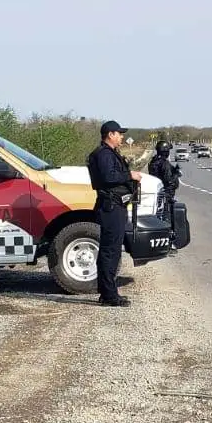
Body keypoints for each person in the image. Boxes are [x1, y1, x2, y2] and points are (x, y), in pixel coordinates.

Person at [86, 120, 138, 307]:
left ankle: (107, 292)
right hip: (111, 207)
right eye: (119, 133)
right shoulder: (104, 155)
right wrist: (130, 175)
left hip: (115, 207)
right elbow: (109, 177)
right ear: (110, 135)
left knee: (111, 251)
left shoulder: (108, 154)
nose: (122, 136)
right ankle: (109, 295)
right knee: (110, 252)